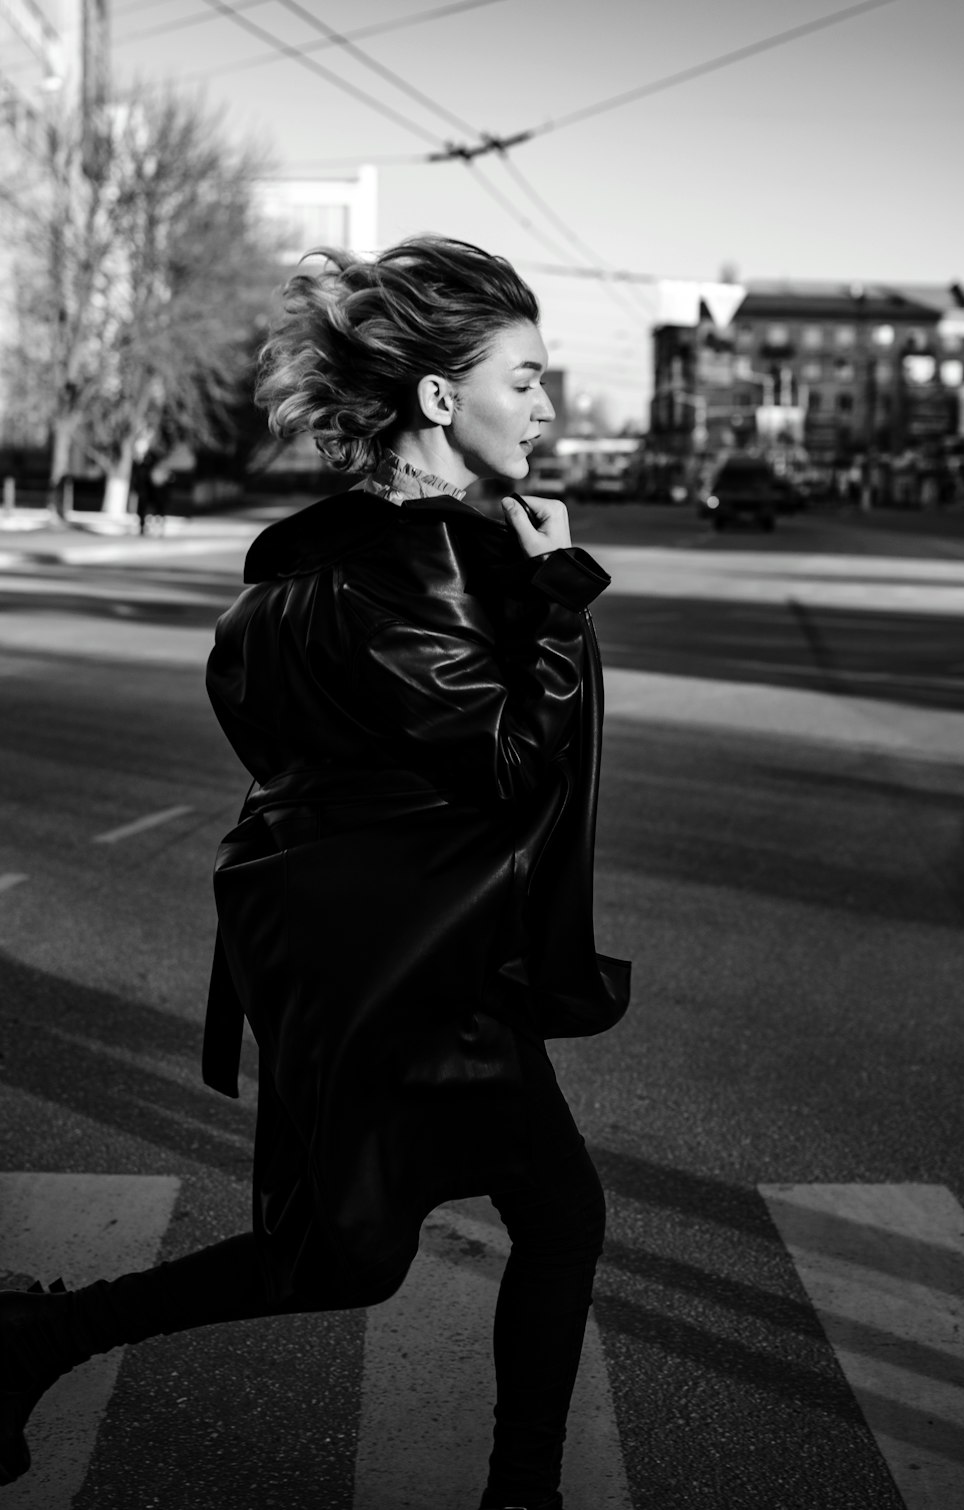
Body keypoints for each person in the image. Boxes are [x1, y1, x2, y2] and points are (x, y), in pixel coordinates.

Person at [0, 236, 630, 1510]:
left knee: (347, 1257)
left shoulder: (297, 571)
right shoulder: (440, 561)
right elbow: (513, 760)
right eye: (528, 378)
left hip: (341, 963)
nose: (549, 407)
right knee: (551, 1220)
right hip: (429, 974)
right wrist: (559, 596)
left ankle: (35, 1340)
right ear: (441, 398)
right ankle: (521, 1494)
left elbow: (298, 765)